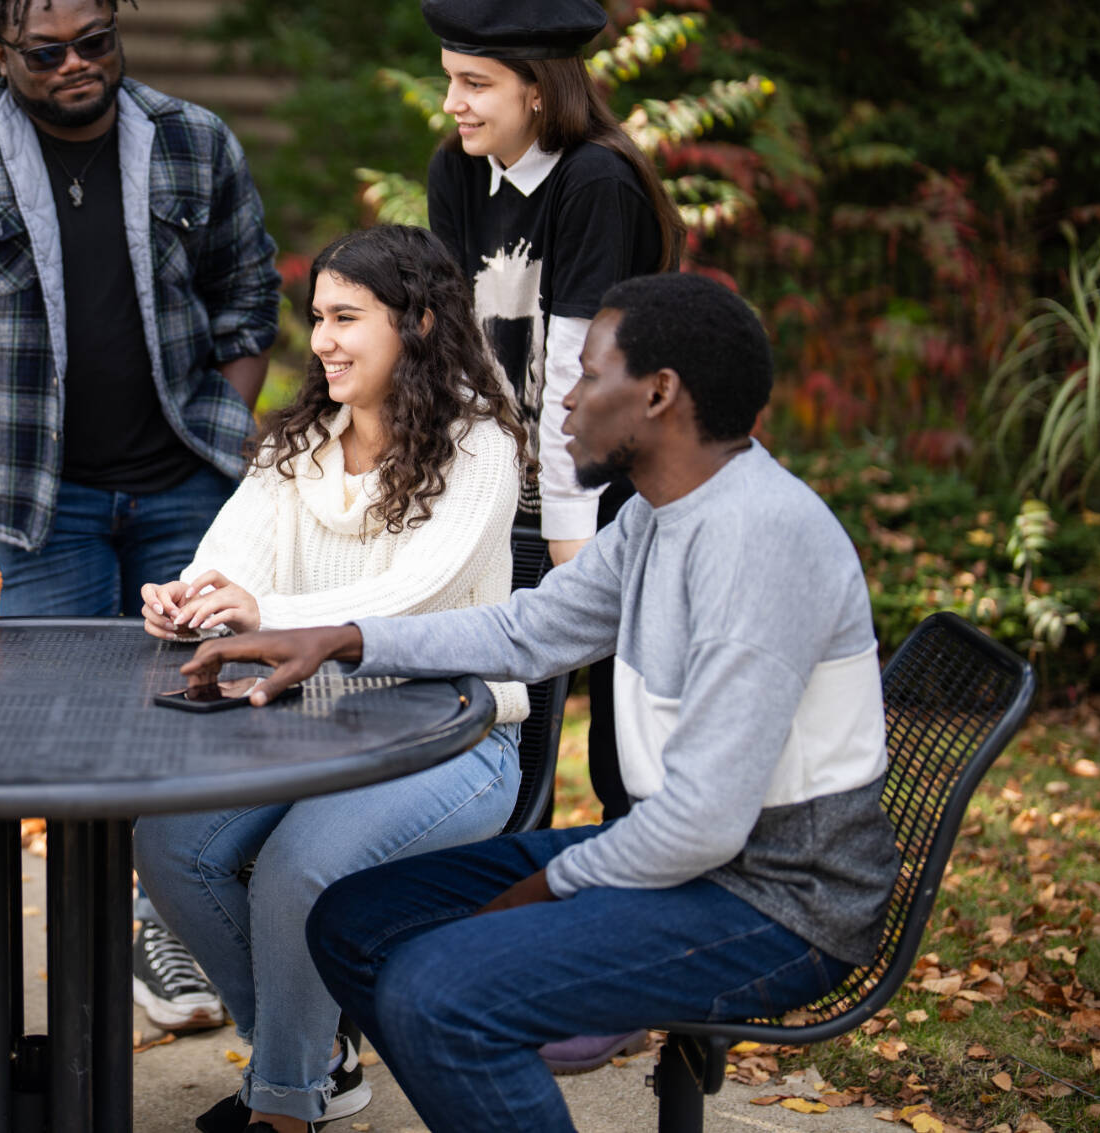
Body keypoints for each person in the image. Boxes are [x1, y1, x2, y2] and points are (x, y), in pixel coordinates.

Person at [178, 273, 898, 1132]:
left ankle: (480, 1032)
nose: (566, 403)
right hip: (696, 860)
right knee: (352, 921)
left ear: (659, 393)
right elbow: (529, 631)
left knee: (437, 990)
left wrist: (539, 895)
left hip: (778, 900)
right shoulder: (661, 516)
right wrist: (342, 639)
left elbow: (704, 823)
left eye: (589, 376)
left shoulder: (756, 540)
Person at [0, 0, 281, 1028]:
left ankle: (164, 929)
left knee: (191, 726)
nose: (74, 65)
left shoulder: (193, 140)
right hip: (34, 508)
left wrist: (221, 426)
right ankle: (66, 960)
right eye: (43, 52)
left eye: (93, 41)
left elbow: (249, 299)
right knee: (49, 744)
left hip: (186, 492)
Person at [131, 226, 530, 1133]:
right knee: (169, 842)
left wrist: (261, 613)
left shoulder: (480, 445)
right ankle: (316, 1058)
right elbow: (229, 562)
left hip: (455, 737)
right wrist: (190, 599)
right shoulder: (303, 442)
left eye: (347, 317)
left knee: (298, 868)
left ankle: (282, 1106)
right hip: (313, 729)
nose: (322, 341)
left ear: (418, 321)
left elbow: (414, 594)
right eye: (316, 318)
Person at [421, 0, 686, 852]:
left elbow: (583, 368)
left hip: (612, 486)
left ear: (537, 89)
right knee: (512, 714)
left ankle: (640, 885)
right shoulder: (459, 171)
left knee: (624, 739)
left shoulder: (596, 181)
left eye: (475, 83)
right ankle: (502, 881)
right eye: (450, 79)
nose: (453, 104)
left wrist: (573, 534)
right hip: (509, 484)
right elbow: (451, 341)